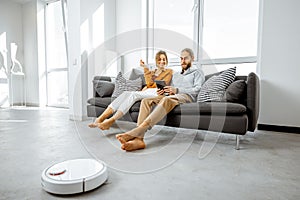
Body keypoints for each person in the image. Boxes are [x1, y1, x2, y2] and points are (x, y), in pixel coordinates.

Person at [116, 48, 205, 151]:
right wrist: (163, 91)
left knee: (167, 100)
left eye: (186, 58)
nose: (183, 61)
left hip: (187, 96)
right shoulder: (177, 74)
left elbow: (198, 90)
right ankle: (139, 140)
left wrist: (176, 90)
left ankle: (137, 131)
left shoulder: (197, 72)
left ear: (192, 59)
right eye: (181, 58)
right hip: (172, 95)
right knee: (146, 101)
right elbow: (170, 89)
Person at [88, 50, 173, 130]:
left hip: (159, 93)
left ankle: (111, 121)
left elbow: (162, 83)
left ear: (166, 61)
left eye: (164, 59)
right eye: (160, 59)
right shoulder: (153, 72)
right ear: (156, 61)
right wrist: (145, 68)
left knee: (134, 95)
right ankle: (100, 118)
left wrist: (152, 81)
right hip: (149, 91)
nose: (162, 61)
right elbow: (149, 83)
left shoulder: (169, 71)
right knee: (126, 93)